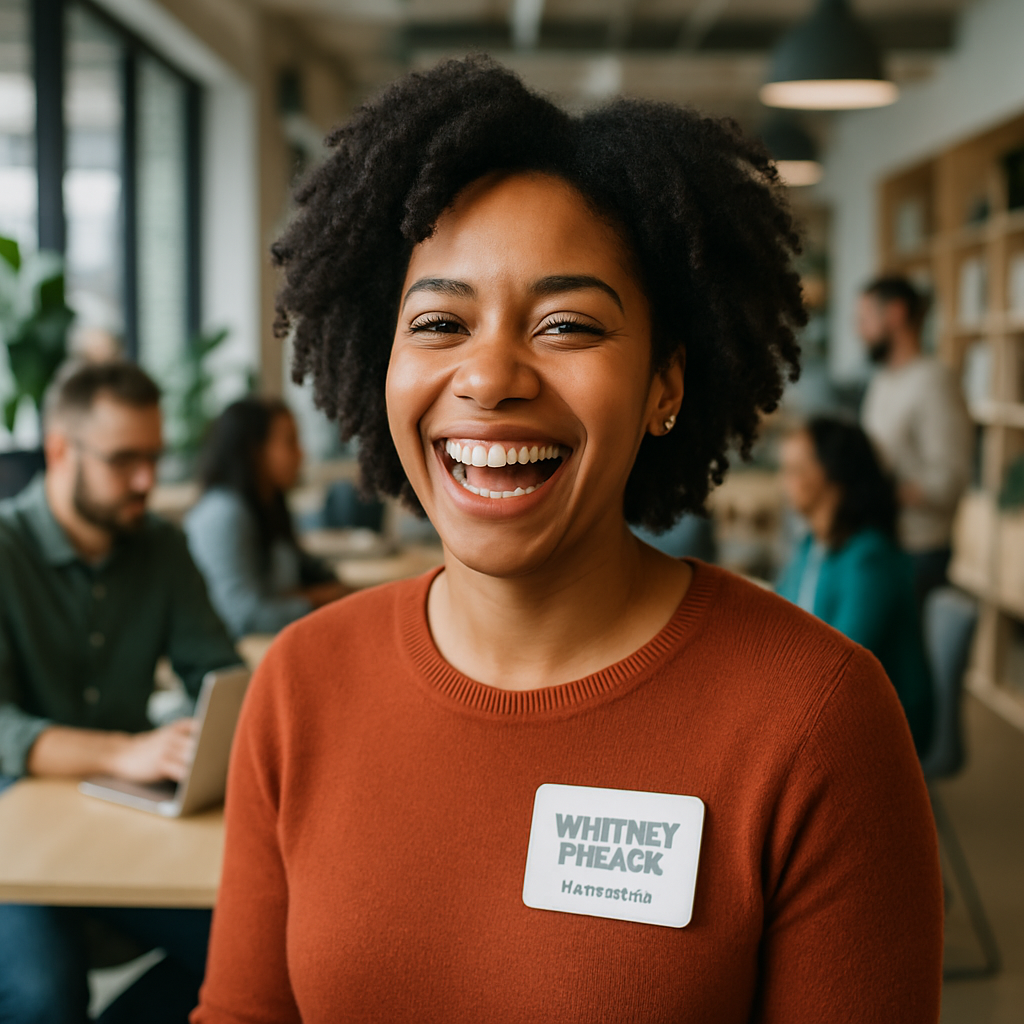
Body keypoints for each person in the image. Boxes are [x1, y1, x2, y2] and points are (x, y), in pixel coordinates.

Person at [195, 58, 942, 1024]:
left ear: (665, 385)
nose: (490, 376)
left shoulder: (815, 719)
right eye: (438, 322)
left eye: (567, 325)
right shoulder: (300, 687)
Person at [0, 360, 240, 1023]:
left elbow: (217, 672)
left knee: (253, 954)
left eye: (155, 459)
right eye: (123, 460)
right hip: (12, 832)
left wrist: (213, 740)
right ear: (59, 451)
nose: (146, 482)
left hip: (124, 816)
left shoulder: (161, 545)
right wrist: (120, 752)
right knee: (42, 996)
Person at [776, 417, 933, 754]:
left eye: (794, 469)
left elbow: (836, 669)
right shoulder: (810, 546)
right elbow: (777, 629)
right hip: (832, 710)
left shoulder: (870, 559)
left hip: (880, 729)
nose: (785, 481)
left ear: (831, 476)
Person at [184, 398, 348, 639]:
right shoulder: (224, 514)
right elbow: (245, 616)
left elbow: (304, 569)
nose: (302, 453)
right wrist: (320, 599)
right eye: (290, 442)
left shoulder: (268, 505)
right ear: (255, 451)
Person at [859, 274, 973, 602]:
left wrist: (886, 493)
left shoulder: (935, 382)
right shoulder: (881, 382)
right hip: (883, 543)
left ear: (894, 314)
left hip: (920, 555)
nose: (859, 330)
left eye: (865, 319)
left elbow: (951, 481)